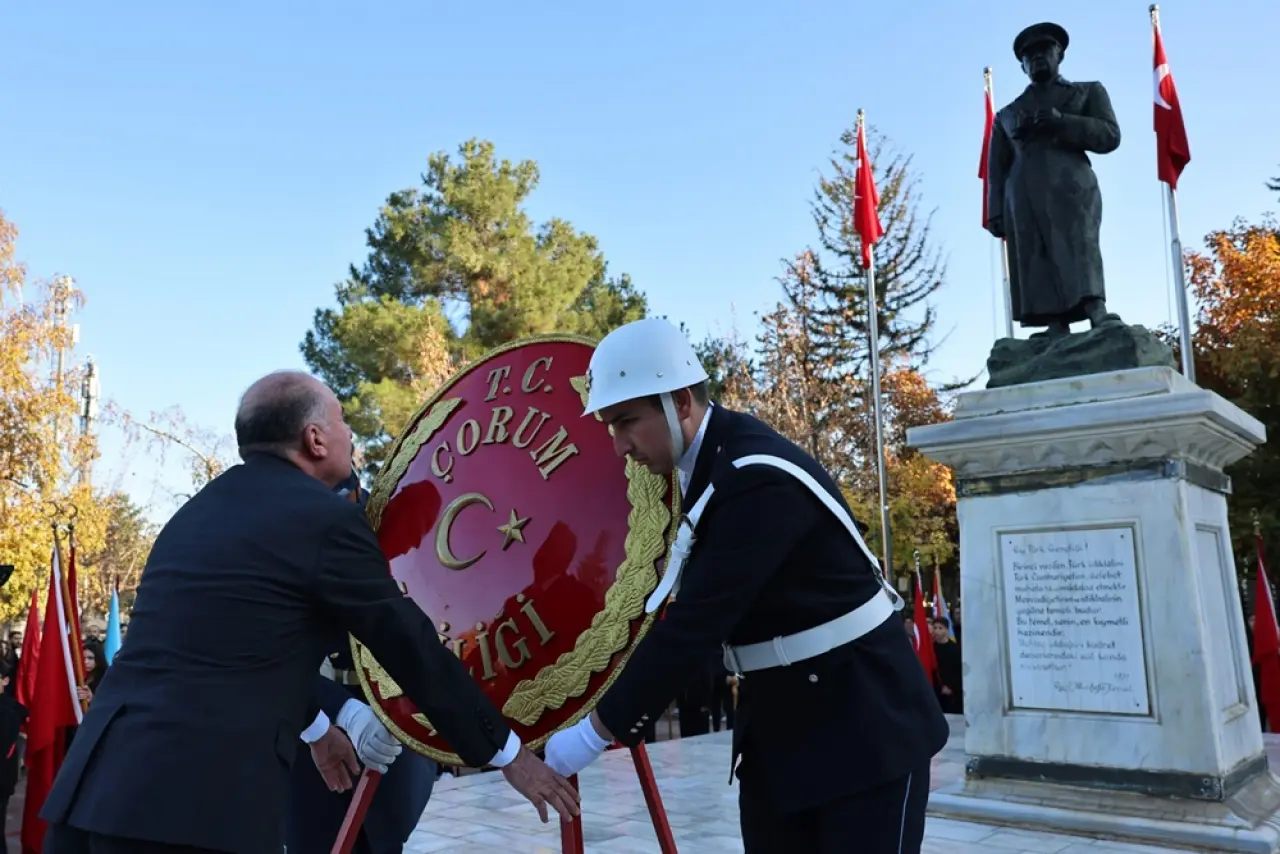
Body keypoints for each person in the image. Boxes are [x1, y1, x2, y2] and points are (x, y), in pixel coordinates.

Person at [40, 370, 578, 854]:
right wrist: (507, 754)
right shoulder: (323, 520)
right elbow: (409, 646)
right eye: (342, 421)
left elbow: (236, 648)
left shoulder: (193, 515)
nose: (350, 436)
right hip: (190, 810)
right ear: (314, 439)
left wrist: (318, 727)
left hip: (91, 792)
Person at [544, 318, 948, 853]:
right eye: (610, 427)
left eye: (627, 422)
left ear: (681, 401)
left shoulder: (753, 475)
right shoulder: (703, 470)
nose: (619, 446)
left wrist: (593, 733)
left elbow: (694, 626)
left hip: (864, 735)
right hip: (783, 740)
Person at [284, 469, 440, 854]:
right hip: (314, 711)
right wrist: (341, 711)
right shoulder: (283, 527)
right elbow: (277, 649)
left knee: (385, 840)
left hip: (393, 709)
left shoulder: (390, 517)